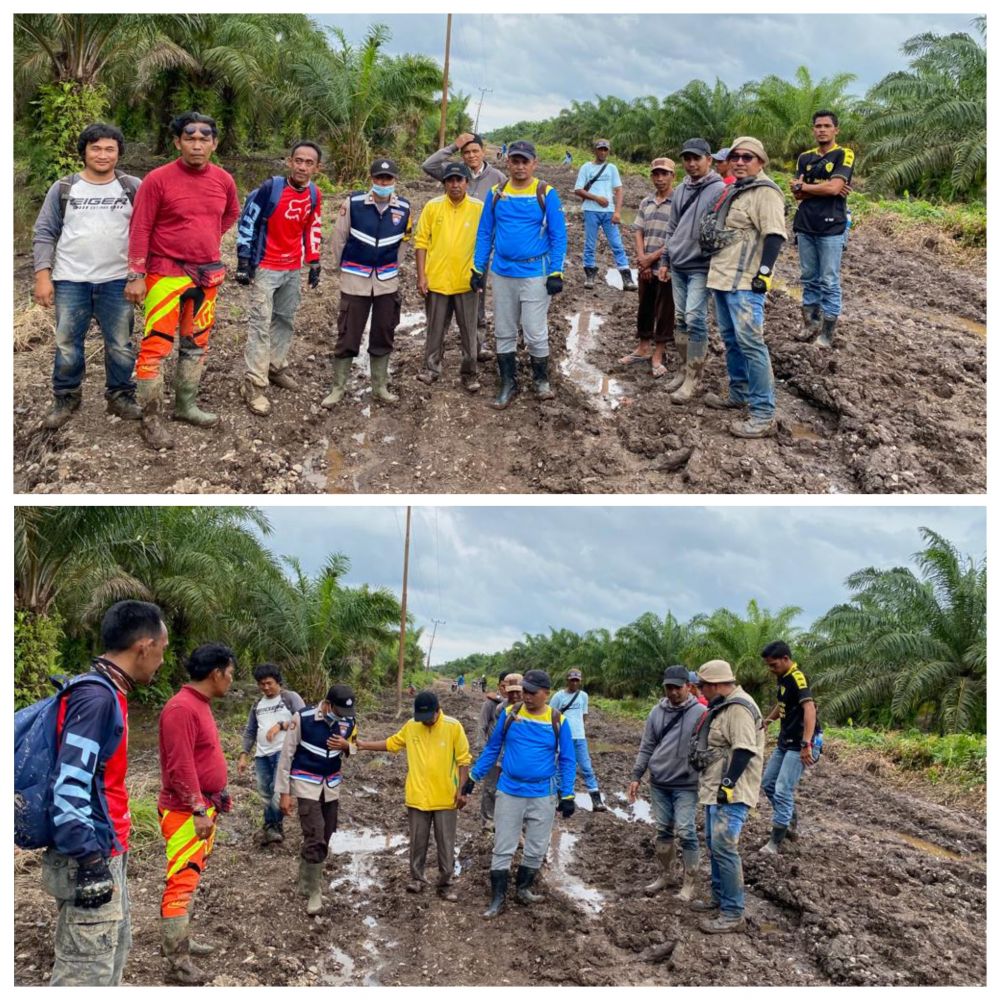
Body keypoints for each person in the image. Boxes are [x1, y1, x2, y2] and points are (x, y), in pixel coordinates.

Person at [39, 600, 168, 986]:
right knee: (86, 973)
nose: (162, 660)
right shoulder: (96, 699)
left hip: (107, 847)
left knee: (110, 958)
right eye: (162, 649)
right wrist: (91, 862)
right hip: (90, 854)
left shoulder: (110, 693)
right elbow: (70, 784)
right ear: (143, 646)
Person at [126, 112, 240, 450]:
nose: (197, 144)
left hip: (207, 276)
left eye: (204, 138)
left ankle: (186, 406)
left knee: (196, 343)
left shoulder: (223, 180)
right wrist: (136, 275)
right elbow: (141, 228)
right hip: (165, 275)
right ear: (177, 142)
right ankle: (150, 418)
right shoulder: (157, 180)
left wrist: (205, 239)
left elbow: (231, 213)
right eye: (189, 138)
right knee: (156, 346)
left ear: (214, 143)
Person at [32, 123, 142, 430]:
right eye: (96, 148)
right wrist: (43, 275)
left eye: (110, 149)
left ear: (119, 153)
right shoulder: (64, 188)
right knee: (67, 342)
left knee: (120, 343)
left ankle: (120, 394)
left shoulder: (132, 186)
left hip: (118, 280)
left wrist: (138, 275)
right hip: (70, 280)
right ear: (84, 152)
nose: (102, 155)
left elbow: (146, 230)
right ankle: (66, 396)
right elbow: (44, 232)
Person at [463, 669, 576, 919]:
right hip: (510, 790)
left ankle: (524, 889)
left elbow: (568, 760)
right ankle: (497, 898)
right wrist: (474, 777)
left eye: (532, 692)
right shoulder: (509, 714)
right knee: (503, 845)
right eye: (524, 690)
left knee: (536, 846)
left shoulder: (558, 721)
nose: (526, 696)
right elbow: (493, 749)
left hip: (542, 793)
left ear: (546, 693)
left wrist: (567, 794)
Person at [157, 643, 236, 983]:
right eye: (230, 674)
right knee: (181, 881)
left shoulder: (198, 704)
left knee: (190, 878)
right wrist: (198, 808)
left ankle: (181, 941)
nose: (231, 681)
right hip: (186, 813)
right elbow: (180, 766)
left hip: (202, 809)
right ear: (216, 673)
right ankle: (177, 961)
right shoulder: (181, 708)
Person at [472, 139, 567, 408]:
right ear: (508, 162)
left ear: (534, 163)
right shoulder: (496, 192)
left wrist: (556, 272)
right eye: (515, 161)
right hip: (502, 273)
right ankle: (508, 383)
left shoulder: (546, 193)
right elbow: (484, 233)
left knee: (535, 331)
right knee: (504, 330)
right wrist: (478, 268)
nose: (520, 166)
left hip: (536, 272)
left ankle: (541, 379)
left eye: (525, 161)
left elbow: (558, 236)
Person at [704, 137, 787, 439]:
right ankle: (739, 392)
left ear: (761, 161)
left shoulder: (766, 193)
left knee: (752, 344)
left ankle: (763, 413)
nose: (740, 161)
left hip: (746, 282)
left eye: (747, 157)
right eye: (736, 156)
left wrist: (764, 274)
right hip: (723, 278)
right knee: (731, 340)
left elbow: (775, 235)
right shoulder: (736, 190)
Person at [235, 140, 323, 416]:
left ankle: (275, 366)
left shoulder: (314, 194)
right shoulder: (270, 189)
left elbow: (313, 226)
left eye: (309, 163)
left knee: (284, 319)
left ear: (316, 168)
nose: (302, 166)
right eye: (298, 160)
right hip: (265, 267)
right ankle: (254, 384)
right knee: (260, 324)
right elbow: (248, 221)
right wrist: (243, 259)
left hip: (292, 267)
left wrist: (314, 260)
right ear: (289, 161)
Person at [355, 691, 471, 901]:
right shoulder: (411, 726)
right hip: (417, 796)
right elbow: (392, 744)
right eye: (421, 719)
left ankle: (445, 882)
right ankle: (417, 878)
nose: (425, 723)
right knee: (418, 841)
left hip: (446, 797)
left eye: (429, 718)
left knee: (446, 843)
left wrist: (462, 790)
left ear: (438, 711)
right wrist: (363, 745)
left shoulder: (453, 727)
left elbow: (464, 760)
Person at [322, 158, 411, 408]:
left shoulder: (404, 208)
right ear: (371, 179)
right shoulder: (353, 203)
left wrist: (391, 268)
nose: (384, 183)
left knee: (384, 332)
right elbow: (338, 239)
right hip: (355, 281)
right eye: (379, 178)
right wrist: (347, 268)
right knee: (348, 333)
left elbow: (404, 243)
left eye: (388, 179)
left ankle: (379, 387)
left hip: (386, 283)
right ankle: (338, 388)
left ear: (395, 181)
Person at [689, 659, 765, 934]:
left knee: (724, 847)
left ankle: (733, 913)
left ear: (717, 684)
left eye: (703, 686)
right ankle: (719, 899)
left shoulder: (739, 709)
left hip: (731, 792)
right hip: (714, 788)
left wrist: (728, 785)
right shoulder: (724, 705)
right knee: (714, 843)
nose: (701, 691)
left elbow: (744, 750)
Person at [275, 683, 357, 916]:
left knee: (327, 833)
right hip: (306, 784)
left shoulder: (348, 721)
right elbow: (286, 754)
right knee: (316, 834)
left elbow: (356, 746)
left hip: (331, 786)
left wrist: (347, 746)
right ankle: (314, 891)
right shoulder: (303, 718)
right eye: (340, 710)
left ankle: (305, 880)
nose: (344, 716)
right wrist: (284, 793)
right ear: (329, 704)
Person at [421, 131, 506, 354]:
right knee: (444, 304)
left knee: (476, 298)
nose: (471, 156)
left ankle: (478, 345)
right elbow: (428, 165)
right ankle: (439, 347)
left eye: (475, 151)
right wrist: (452, 146)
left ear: (483, 151)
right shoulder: (454, 174)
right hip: (450, 250)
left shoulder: (497, 178)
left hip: (479, 250)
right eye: (466, 152)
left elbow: (505, 210)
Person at [627, 665, 707, 901]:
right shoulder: (656, 712)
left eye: (677, 688)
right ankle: (666, 875)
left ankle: (689, 883)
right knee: (663, 830)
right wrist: (636, 776)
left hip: (686, 783)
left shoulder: (701, 713)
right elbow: (647, 746)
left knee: (686, 831)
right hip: (659, 781)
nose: (672, 692)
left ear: (689, 687)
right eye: (668, 688)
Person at [658, 138, 725, 405]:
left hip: (701, 265)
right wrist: (665, 259)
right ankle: (683, 369)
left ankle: (693, 379)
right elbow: (672, 226)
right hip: (679, 263)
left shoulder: (719, 189)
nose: (691, 163)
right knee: (682, 319)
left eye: (697, 158)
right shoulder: (681, 190)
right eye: (687, 159)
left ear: (709, 159)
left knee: (696, 318)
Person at [414, 161, 484, 392]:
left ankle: (469, 373)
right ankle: (431, 369)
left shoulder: (478, 208)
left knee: (469, 331)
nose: (455, 185)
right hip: (437, 280)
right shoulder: (433, 207)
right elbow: (421, 242)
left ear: (467, 182)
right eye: (450, 180)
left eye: (459, 180)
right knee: (435, 328)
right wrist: (421, 276)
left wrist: (479, 273)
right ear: (444, 183)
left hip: (466, 282)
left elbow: (486, 242)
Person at [791, 111, 855, 348]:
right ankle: (810, 323)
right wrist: (823, 187)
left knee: (829, 279)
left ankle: (827, 332)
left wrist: (808, 186)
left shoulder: (844, 154)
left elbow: (834, 188)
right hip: (806, 224)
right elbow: (797, 193)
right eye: (818, 126)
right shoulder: (804, 158)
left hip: (832, 226)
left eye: (827, 126)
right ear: (813, 129)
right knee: (809, 278)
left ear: (836, 130)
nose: (822, 130)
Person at [758, 641, 821, 854]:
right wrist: (769, 719)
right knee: (768, 783)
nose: (771, 669)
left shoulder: (797, 677)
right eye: (769, 665)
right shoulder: (783, 677)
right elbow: (783, 704)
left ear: (786, 659)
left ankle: (776, 841)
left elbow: (809, 709)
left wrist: (807, 744)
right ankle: (789, 819)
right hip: (786, 741)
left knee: (782, 789)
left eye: (774, 664)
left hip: (800, 743)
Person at [237, 663, 306, 845]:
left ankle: (272, 827)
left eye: (269, 683)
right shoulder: (257, 704)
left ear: (278, 682)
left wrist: (281, 726)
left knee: (278, 792)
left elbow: (305, 721)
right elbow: (250, 730)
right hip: (262, 755)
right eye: (262, 684)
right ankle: (272, 827)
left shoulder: (290, 698)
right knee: (265, 793)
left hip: (284, 753)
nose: (266, 688)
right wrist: (244, 754)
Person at [620, 157, 675, 378]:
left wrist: (651, 258)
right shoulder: (646, 202)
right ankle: (643, 348)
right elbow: (638, 231)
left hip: (666, 266)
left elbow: (677, 238)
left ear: (673, 176)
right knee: (645, 307)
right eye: (656, 174)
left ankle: (658, 354)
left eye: (664, 174)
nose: (660, 178)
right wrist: (641, 257)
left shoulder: (679, 203)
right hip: (646, 266)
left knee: (664, 311)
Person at [574, 139, 635, 291]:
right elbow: (578, 190)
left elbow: (619, 190)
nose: (603, 152)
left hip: (609, 212)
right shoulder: (586, 168)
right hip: (591, 210)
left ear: (608, 151)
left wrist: (617, 212)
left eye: (605, 150)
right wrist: (596, 198)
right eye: (600, 149)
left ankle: (626, 277)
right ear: (594, 150)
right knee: (589, 244)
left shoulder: (612, 168)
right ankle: (589, 274)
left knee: (617, 244)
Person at [550, 669, 606, 811]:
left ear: (580, 681)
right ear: (567, 680)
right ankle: (561, 798)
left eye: (577, 680)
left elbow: (584, 716)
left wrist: (578, 729)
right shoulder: (558, 697)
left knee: (586, 767)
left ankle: (596, 800)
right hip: (563, 738)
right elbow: (551, 716)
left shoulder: (583, 696)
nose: (574, 682)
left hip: (580, 738)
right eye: (572, 680)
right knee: (560, 769)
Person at [479, 672, 523, 831]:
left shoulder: (530, 709)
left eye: (518, 690)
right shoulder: (496, 707)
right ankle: (488, 821)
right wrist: (485, 751)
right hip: (495, 752)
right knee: (490, 787)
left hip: (515, 757)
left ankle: (512, 824)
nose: (514, 694)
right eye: (508, 688)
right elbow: (482, 727)